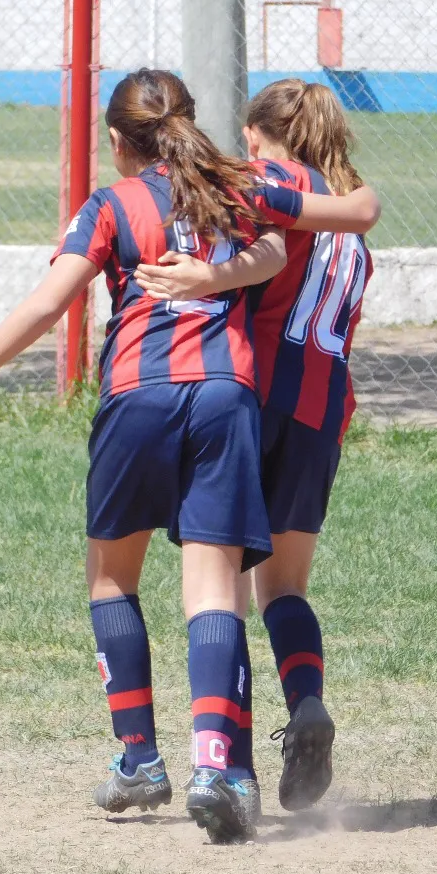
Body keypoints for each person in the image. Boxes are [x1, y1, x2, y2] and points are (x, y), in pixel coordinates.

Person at [0, 69, 375, 843]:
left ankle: (139, 755)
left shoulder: (116, 203)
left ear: (114, 139)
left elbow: (46, 301)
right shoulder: (235, 188)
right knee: (219, 588)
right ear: (193, 125)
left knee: (112, 578)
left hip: (140, 394)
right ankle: (218, 766)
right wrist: (217, 273)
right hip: (242, 396)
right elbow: (308, 234)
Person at [135, 78, 380, 814]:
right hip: (323, 407)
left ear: (265, 138)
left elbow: (253, 236)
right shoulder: (344, 201)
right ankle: (306, 702)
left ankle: (229, 765)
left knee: (221, 589)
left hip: (255, 394)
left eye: (250, 140)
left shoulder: (277, 182)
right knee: (285, 589)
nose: (246, 152)